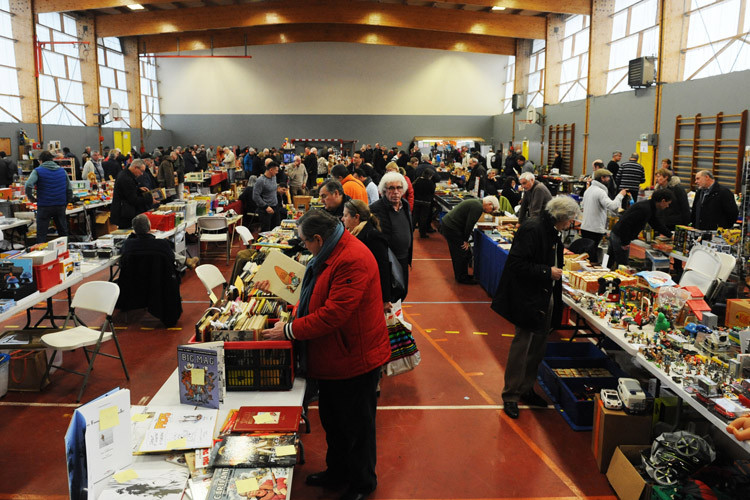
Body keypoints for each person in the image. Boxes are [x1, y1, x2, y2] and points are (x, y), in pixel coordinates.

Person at [261, 209, 390, 500]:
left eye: (305, 241)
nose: (304, 247)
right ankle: (338, 472)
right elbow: (316, 295)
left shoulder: (352, 259)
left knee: (357, 428)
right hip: (334, 358)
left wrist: (290, 330)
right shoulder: (331, 251)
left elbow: (334, 314)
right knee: (334, 421)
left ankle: (361, 484)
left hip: (354, 359)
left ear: (318, 238)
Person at [492, 196, 581, 419]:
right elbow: (516, 264)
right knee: (522, 345)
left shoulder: (550, 229)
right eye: (570, 220)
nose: (570, 224)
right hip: (528, 297)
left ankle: (526, 389)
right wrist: (546, 272)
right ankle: (511, 395)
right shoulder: (533, 229)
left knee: (538, 345)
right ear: (560, 216)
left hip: (544, 294)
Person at [342, 199, 392, 312]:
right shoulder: (356, 233)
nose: (343, 219)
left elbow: (383, 268)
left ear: (356, 217)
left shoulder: (372, 236)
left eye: (346, 215)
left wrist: (385, 299)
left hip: (371, 292)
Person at [370, 171, 413, 302]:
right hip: (387, 262)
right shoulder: (375, 209)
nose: (396, 192)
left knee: (402, 292)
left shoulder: (405, 205)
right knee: (388, 297)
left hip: (404, 259)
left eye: (399, 188)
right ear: (384, 190)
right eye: (391, 188)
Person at [608, 190, 674, 269]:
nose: (667, 206)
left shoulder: (649, 206)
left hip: (618, 234)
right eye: (668, 203)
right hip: (620, 236)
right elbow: (626, 223)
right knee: (623, 266)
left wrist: (670, 235)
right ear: (663, 201)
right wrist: (625, 242)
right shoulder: (644, 208)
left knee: (610, 261)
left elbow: (656, 224)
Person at [440, 196, 499, 284]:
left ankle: (461, 275)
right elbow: (469, 224)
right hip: (452, 227)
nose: (491, 211)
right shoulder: (478, 207)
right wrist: (465, 240)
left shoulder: (477, 203)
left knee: (458, 252)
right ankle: (462, 277)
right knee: (463, 252)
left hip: (449, 225)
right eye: (492, 209)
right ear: (489, 204)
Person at [25, 151, 72, 243]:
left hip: (44, 206)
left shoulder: (37, 171)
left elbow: (28, 185)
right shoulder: (62, 171)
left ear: (40, 161)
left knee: (42, 234)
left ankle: (41, 255)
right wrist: (65, 203)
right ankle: (67, 252)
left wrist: (31, 198)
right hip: (60, 205)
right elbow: (69, 190)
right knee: (63, 233)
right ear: (52, 159)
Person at [122, 214, 198, 269]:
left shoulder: (127, 244)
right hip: (159, 278)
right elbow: (171, 257)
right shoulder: (161, 243)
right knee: (167, 250)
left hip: (135, 280)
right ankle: (186, 260)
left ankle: (186, 260)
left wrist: (132, 235)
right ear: (149, 228)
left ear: (134, 230)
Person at [580, 169, 627, 253]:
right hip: (595, 229)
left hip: (585, 228)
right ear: (602, 178)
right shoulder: (600, 192)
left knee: (587, 255)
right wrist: (620, 195)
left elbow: (583, 206)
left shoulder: (588, 190)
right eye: (608, 177)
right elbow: (612, 206)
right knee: (592, 256)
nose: (609, 180)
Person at [111, 159, 155, 229]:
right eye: (141, 171)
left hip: (124, 211)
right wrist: (149, 199)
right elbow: (133, 200)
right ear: (135, 167)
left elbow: (127, 191)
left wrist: (138, 189)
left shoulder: (125, 174)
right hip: (124, 214)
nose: (142, 174)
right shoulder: (126, 179)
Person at [253, 162, 280, 232]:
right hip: (265, 210)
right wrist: (266, 206)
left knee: (276, 229)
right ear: (271, 170)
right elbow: (255, 196)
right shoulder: (260, 180)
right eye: (276, 170)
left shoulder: (274, 177)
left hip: (275, 207)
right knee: (266, 231)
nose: (277, 172)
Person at [412, 169, 436, 238]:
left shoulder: (417, 180)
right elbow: (432, 192)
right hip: (426, 202)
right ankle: (422, 233)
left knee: (415, 217)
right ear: (430, 175)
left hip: (416, 201)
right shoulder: (430, 183)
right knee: (423, 218)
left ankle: (410, 231)